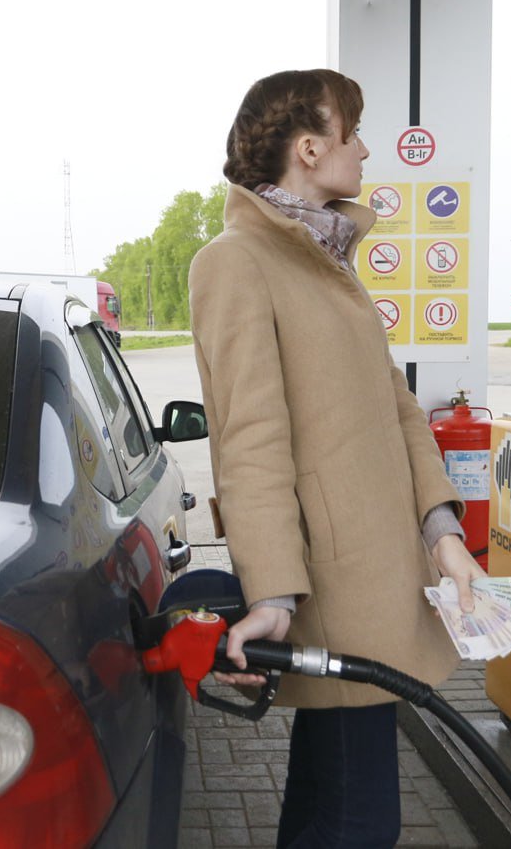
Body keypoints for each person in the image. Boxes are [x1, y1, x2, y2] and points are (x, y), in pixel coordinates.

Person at [187, 68, 484, 849]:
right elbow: (249, 440)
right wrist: (275, 594)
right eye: (350, 132)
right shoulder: (237, 260)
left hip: (383, 581)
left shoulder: (328, 258)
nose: (364, 148)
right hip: (334, 588)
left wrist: (444, 536)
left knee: (332, 809)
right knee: (356, 820)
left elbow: (397, 410)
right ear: (310, 148)